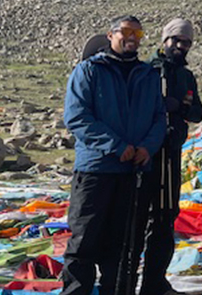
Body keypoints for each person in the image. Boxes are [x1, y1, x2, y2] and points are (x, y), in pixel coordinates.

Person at [62, 15, 166, 295]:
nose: (132, 37)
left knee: (125, 247)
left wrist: (147, 148)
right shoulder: (88, 70)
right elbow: (76, 117)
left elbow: (159, 118)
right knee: (83, 242)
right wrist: (116, 146)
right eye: (126, 31)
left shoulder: (148, 75)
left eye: (138, 33)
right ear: (110, 35)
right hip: (96, 170)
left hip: (133, 173)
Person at [129, 19, 202, 295]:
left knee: (166, 217)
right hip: (147, 155)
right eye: (177, 40)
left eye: (186, 42)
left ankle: (155, 281)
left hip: (172, 153)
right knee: (138, 218)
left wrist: (182, 108)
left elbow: (198, 112)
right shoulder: (147, 70)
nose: (181, 46)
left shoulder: (187, 76)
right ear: (165, 41)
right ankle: (127, 280)